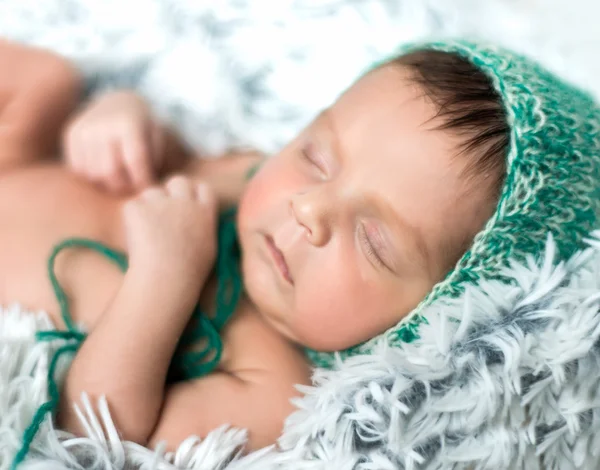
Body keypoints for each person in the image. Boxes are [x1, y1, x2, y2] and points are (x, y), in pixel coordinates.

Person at [3, 37, 599, 460]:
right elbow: (163, 164)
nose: (308, 210)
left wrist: (165, 275)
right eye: (315, 156)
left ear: (433, 318)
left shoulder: (271, 385)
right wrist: (119, 121)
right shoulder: (245, 181)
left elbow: (94, 432)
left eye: (373, 242)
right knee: (50, 77)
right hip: (19, 158)